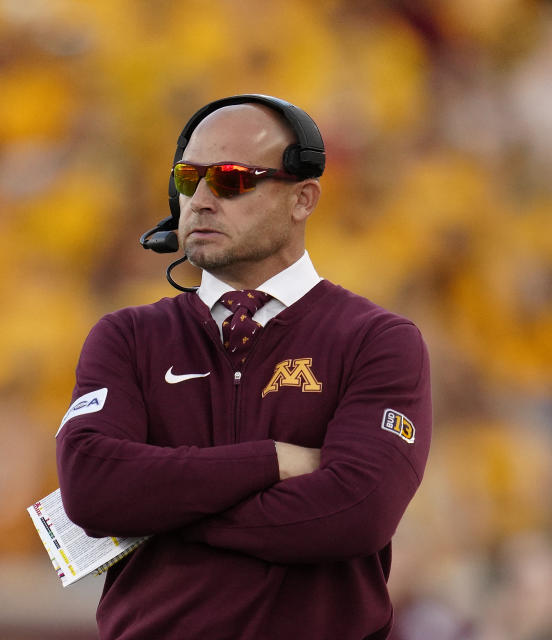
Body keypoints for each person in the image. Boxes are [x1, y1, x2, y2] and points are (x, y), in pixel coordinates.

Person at [55, 94, 432, 640]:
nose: (202, 199)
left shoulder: (377, 340)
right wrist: (270, 461)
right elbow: (90, 490)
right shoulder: (127, 337)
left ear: (303, 198)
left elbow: (355, 515)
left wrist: (161, 510)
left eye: (232, 179)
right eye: (189, 178)